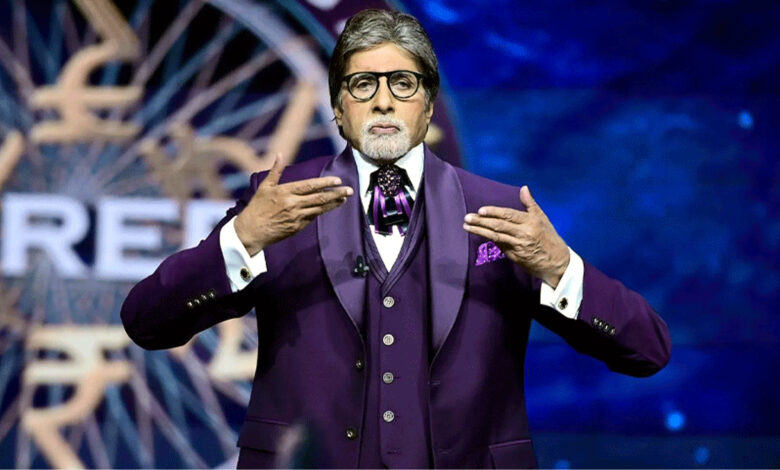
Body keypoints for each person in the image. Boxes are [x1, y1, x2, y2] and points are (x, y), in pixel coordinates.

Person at [121, 9, 671, 469]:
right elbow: (147, 322)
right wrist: (241, 240)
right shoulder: (278, 204)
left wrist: (559, 268)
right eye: (363, 84)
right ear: (338, 109)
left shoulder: (500, 212)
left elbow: (647, 351)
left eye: (403, 84)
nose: (383, 101)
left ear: (428, 106)